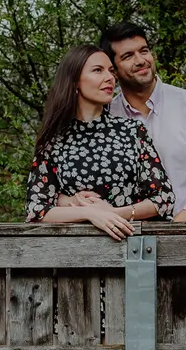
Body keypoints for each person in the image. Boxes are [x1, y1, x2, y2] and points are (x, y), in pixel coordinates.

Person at [25, 44, 174, 238]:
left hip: (129, 249)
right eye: (98, 70)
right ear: (75, 81)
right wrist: (88, 213)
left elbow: (164, 198)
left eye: (111, 71)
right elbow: (36, 209)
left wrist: (114, 213)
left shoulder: (132, 132)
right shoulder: (54, 140)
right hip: (74, 256)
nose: (110, 78)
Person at [93, 21, 186, 222]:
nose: (141, 60)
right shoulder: (105, 117)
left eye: (144, 51)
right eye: (128, 56)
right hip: (125, 240)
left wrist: (180, 224)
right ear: (113, 70)